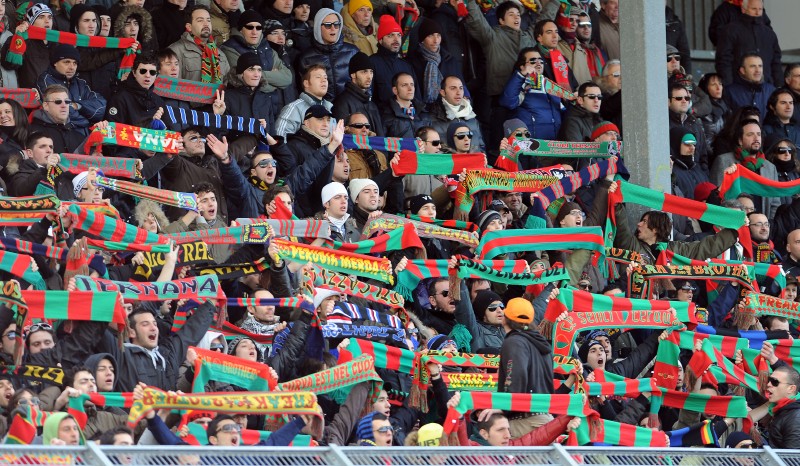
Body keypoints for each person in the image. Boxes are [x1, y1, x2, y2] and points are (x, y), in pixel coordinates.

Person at [711, 120, 780, 220]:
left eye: (759, 134)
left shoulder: (770, 167)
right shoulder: (724, 161)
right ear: (740, 140)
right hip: (733, 225)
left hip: (760, 228)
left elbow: (774, 204)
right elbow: (716, 197)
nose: (756, 138)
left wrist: (767, 224)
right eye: (750, 134)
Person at [499, 48, 564, 143]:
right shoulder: (520, 85)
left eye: (541, 61)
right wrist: (521, 75)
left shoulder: (551, 86)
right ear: (522, 66)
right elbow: (508, 102)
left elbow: (563, 114)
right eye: (533, 61)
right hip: (530, 147)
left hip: (553, 147)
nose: (538, 64)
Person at [35, 44, 106, 130]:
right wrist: (87, 121)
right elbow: (63, 114)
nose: (72, 67)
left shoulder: (80, 83)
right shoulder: (45, 80)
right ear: (55, 63)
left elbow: (101, 108)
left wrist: (77, 105)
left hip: (83, 134)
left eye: (75, 63)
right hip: (58, 133)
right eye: (67, 62)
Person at [296, 8, 359, 101]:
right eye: (328, 25)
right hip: (322, 111)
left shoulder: (353, 51)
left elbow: (364, 83)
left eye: (337, 24)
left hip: (350, 109)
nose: (333, 28)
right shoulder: (305, 58)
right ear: (318, 27)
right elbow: (303, 92)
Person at [715, 0, 782, 86]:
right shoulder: (731, 30)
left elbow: (776, 62)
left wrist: (779, 85)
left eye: (760, 9)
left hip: (766, 86)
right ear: (743, 9)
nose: (757, 12)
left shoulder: (770, 34)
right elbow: (724, 59)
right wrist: (728, 85)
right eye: (754, 9)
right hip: (738, 86)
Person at [168, 5, 231, 83]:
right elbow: (171, 86)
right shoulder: (175, 51)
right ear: (189, 27)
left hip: (217, 95)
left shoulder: (220, 54)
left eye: (208, 20)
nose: (206, 24)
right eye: (200, 20)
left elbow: (227, 85)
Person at [105, 52, 165, 126]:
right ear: (134, 72)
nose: (147, 75)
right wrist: (149, 124)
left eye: (152, 72)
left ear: (156, 75)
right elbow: (112, 130)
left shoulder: (159, 102)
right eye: (143, 71)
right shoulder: (120, 98)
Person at [427, 76, 484, 153]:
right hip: (448, 164)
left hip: (475, 164)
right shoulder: (430, 120)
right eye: (453, 88)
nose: (458, 92)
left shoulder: (472, 118)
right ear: (443, 92)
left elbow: (481, 147)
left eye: (461, 88)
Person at [332, 52, 384, 136]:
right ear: (353, 75)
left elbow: (381, 137)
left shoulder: (372, 104)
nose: (369, 76)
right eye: (364, 72)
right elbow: (343, 136)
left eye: (371, 72)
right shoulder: (342, 103)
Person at [274, 64, 332, 138]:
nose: (324, 80)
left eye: (325, 78)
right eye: (318, 77)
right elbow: (280, 137)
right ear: (306, 83)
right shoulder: (294, 108)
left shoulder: (329, 108)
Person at [368, 15, 415, 107]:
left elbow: (416, 99)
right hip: (383, 118)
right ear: (380, 40)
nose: (396, 39)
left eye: (398, 35)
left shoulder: (406, 65)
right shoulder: (371, 63)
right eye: (390, 35)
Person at [29, 84, 89, 155]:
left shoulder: (79, 137)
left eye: (67, 102)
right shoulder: (30, 133)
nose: (64, 105)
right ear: (46, 106)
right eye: (58, 102)